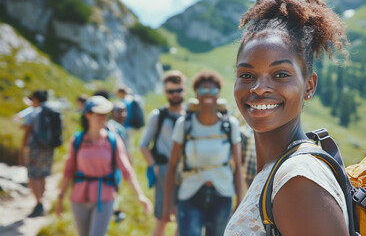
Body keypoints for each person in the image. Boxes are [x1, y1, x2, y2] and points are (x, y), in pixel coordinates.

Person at [224, 0, 350, 235]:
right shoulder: (275, 170)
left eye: (280, 74)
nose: (259, 88)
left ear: (309, 86)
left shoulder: (298, 180)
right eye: (247, 75)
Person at [56, 96, 152, 236]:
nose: (104, 118)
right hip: (79, 197)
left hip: (105, 197)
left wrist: (140, 196)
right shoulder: (77, 140)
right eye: (99, 114)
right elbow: (68, 171)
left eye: (105, 114)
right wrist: (60, 198)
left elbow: (127, 171)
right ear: (87, 114)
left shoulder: (112, 140)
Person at [163, 70, 244, 236]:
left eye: (213, 91)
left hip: (223, 195)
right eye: (203, 91)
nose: (208, 95)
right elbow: (172, 166)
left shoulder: (231, 125)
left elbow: (237, 167)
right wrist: (168, 204)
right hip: (189, 195)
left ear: (219, 94)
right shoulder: (184, 124)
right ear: (196, 94)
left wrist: (240, 202)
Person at [139, 70, 187, 236]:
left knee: (183, 218)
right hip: (164, 170)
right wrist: (155, 167)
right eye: (171, 91)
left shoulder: (191, 115)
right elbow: (143, 145)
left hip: (187, 172)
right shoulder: (157, 116)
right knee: (162, 218)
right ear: (165, 92)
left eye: (178, 90)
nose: (175, 94)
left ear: (184, 89)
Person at [18, 90, 55, 217]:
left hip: (34, 148)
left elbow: (27, 132)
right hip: (48, 149)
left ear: (36, 100)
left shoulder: (33, 113)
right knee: (42, 175)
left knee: (33, 175)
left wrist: (22, 150)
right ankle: (41, 200)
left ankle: (39, 203)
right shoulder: (50, 112)